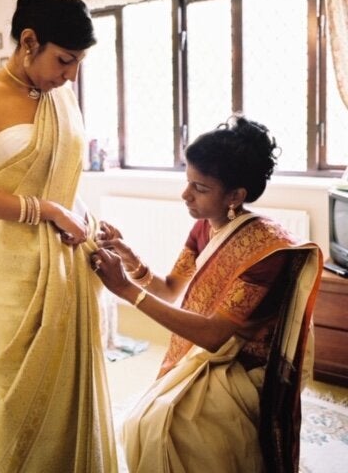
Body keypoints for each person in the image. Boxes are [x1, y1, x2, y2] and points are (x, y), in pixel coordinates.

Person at [0, 0, 118, 473]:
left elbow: (64, 183)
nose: (72, 75)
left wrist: (87, 222)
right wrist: (46, 211)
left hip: (70, 264)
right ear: (28, 42)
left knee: (73, 400)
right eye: (65, 60)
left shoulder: (61, 100)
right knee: (25, 405)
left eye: (80, 63)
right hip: (16, 273)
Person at [91, 115, 323, 473]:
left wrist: (124, 289)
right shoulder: (204, 226)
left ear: (235, 196)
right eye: (187, 182)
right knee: (142, 421)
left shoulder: (265, 251)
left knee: (164, 429)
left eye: (199, 188)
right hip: (216, 353)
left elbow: (214, 336)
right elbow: (170, 291)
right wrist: (129, 257)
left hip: (250, 367)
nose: (185, 195)